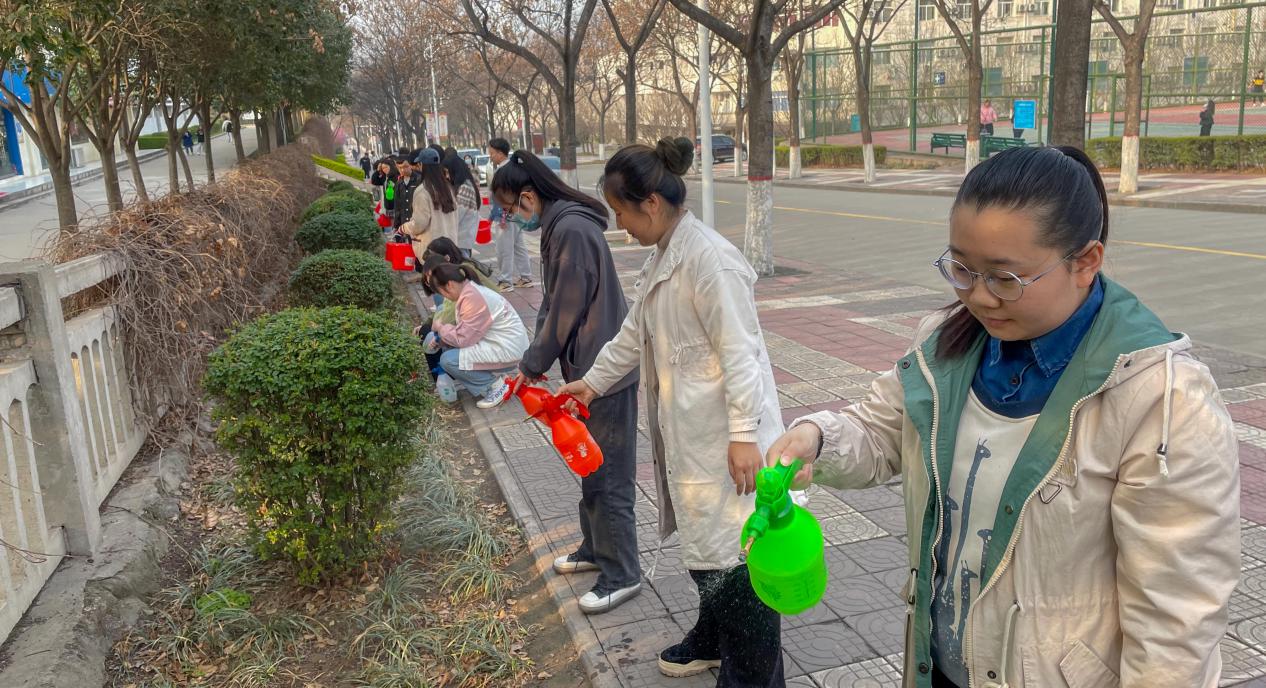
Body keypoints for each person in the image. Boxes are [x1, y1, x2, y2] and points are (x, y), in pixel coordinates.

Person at [767, 145, 1239, 688]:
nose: (979, 298)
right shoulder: (946, 343)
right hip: (937, 666)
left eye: (1005, 278)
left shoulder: (1161, 397)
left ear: (1086, 262)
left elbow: (1175, 618)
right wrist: (817, 439)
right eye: (962, 269)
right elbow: (883, 429)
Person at [559, 138, 787, 686]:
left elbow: (742, 355)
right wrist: (591, 384)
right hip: (695, 441)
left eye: (621, 213)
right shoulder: (666, 254)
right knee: (706, 550)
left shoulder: (711, 262)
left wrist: (743, 434)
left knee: (739, 562)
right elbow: (633, 333)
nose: (620, 225)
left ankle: (751, 676)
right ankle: (711, 638)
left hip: (729, 445)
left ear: (652, 204)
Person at [492, 150, 643, 615]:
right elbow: (552, 304)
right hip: (589, 369)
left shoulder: (571, 230)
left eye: (509, 209)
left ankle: (623, 573)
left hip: (605, 373)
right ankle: (596, 549)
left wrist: (533, 363)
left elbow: (564, 310)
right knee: (588, 464)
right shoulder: (560, 226)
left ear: (528, 196)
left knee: (608, 474)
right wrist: (533, 360)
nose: (510, 218)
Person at [427, 262, 529, 409]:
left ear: (449, 285)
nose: (445, 298)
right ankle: (493, 381)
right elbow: (465, 332)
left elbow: (463, 339)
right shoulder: (470, 291)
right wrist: (442, 339)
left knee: (448, 360)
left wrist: (441, 328)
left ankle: (495, 386)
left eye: (442, 293)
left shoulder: (472, 298)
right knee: (450, 351)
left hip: (507, 348)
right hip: (505, 344)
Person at [488, 138, 532, 291]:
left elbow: (503, 196)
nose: (491, 157)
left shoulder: (502, 171)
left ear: (500, 153)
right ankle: (526, 277)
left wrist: (499, 216)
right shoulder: (515, 168)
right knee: (519, 246)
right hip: (518, 214)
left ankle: (505, 281)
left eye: (492, 153)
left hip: (505, 215)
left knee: (504, 249)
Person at [400, 147, 458, 248]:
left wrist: (404, 228)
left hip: (431, 248)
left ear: (422, 165)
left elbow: (419, 224)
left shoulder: (422, 191)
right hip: (450, 246)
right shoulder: (448, 188)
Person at [443, 149, 481, 258]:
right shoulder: (464, 184)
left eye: (448, 172)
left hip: (461, 239)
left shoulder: (465, 187)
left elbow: (457, 215)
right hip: (461, 238)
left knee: (463, 264)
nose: (447, 176)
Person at [391, 155, 422, 231]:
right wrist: (397, 225)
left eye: (405, 167)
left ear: (410, 165)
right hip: (404, 223)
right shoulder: (399, 183)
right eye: (400, 168)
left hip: (417, 222)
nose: (402, 170)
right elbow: (397, 205)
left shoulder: (419, 179)